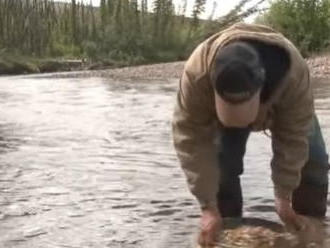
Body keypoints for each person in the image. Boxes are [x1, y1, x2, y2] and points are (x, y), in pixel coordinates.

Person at [172, 22, 329, 246]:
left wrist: (283, 197)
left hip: (285, 106)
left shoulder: (294, 74)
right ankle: (226, 231)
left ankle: (311, 230)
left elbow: (293, 138)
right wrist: (207, 206)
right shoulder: (196, 75)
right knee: (222, 168)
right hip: (218, 116)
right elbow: (190, 141)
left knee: (314, 162)